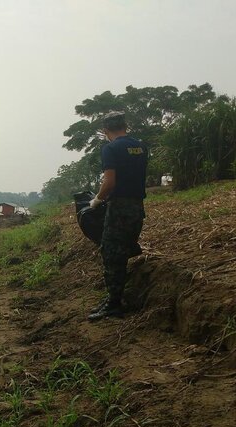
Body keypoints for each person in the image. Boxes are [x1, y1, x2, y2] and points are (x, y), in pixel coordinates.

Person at [88, 111, 148, 321]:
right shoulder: (141, 146)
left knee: (112, 253)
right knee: (122, 251)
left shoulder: (110, 148)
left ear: (105, 131)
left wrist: (97, 200)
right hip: (137, 207)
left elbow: (110, 182)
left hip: (119, 208)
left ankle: (114, 304)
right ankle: (114, 298)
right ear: (125, 125)